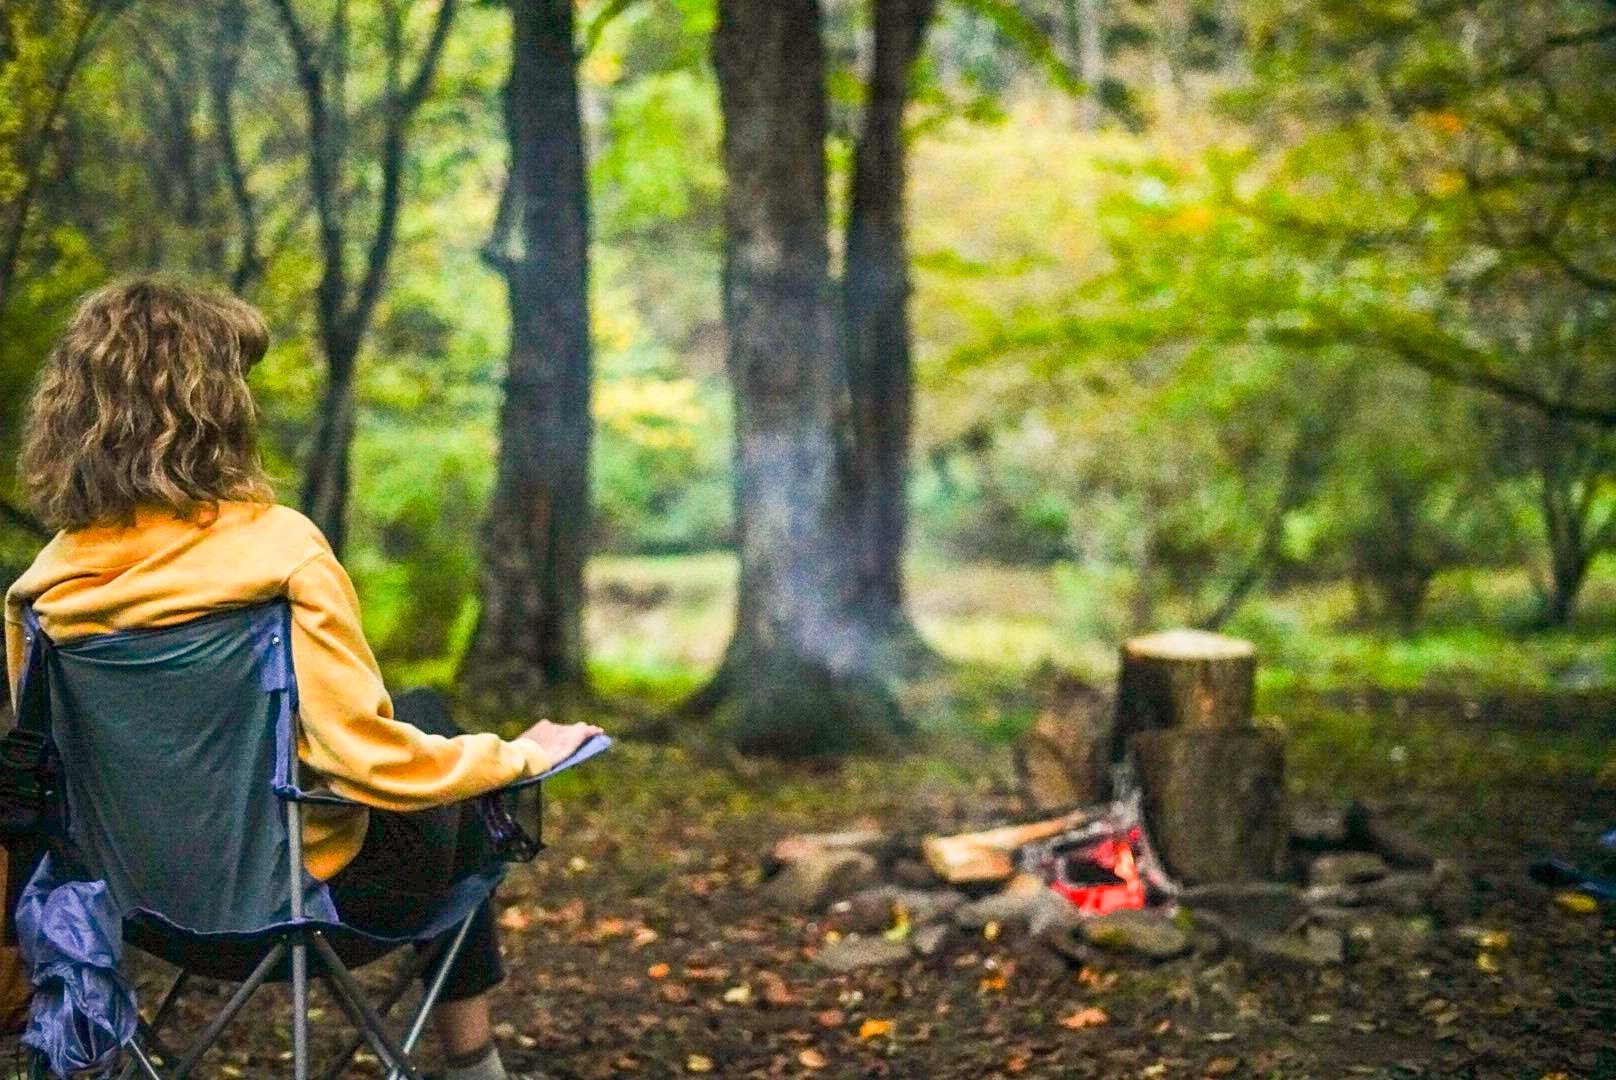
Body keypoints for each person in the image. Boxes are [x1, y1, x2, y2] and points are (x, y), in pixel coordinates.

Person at [3, 278, 600, 1080]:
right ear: (215, 407)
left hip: (143, 907)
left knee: (427, 719)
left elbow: (61, 779)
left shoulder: (42, 591)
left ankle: (474, 1059)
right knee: (436, 727)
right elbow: (369, 764)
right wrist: (521, 756)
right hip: (311, 902)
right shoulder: (280, 554)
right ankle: (474, 1060)